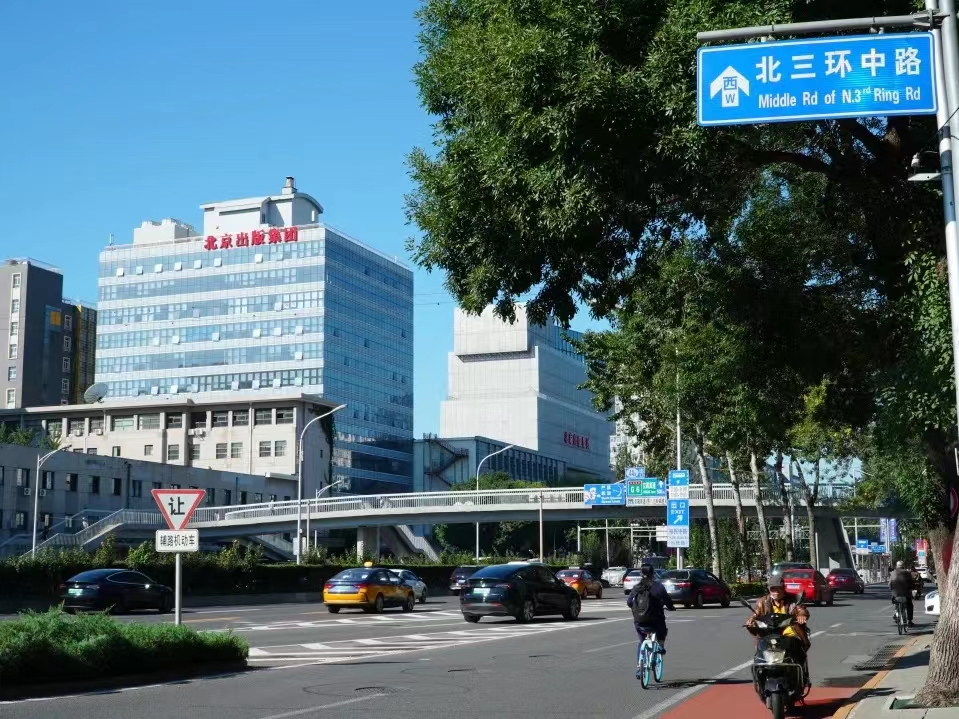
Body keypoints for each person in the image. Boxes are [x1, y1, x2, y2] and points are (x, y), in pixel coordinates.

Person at [747, 579, 811, 686]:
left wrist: (802, 615)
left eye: (779, 589)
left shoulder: (794, 599)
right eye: (773, 589)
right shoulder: (762, 602)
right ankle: (760, 678)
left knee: (798, 652)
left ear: (783, 589)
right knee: (759, 655)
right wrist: (750, 621)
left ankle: (800, 675)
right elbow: (755, 614)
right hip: (769, 633)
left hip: (789, 632)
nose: (776, 592)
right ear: (769, 590)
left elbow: (801, 609)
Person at [627, 563, 675, 660]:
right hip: (655, 620)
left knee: (641, 640)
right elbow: (667, 600)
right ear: (653, 573)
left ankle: (640, 666)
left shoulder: (636, 587)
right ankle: (660, 646)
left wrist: (636, 609)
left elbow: (629, 602)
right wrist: (671, 607)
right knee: (661, 626)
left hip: (640, 621)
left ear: (641, 574)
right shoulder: (658, 586)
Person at [889, 560, 916, 627]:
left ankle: (896, 613)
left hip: (895, 593)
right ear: (903, 566)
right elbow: (911, 583)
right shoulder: (907, 573)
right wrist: (912, 588)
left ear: (896, 566)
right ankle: (909, 621)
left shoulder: (892, 573)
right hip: (906, 593)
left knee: (895, 601)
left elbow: (889, 584)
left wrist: (891, 590)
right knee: (909, 605)